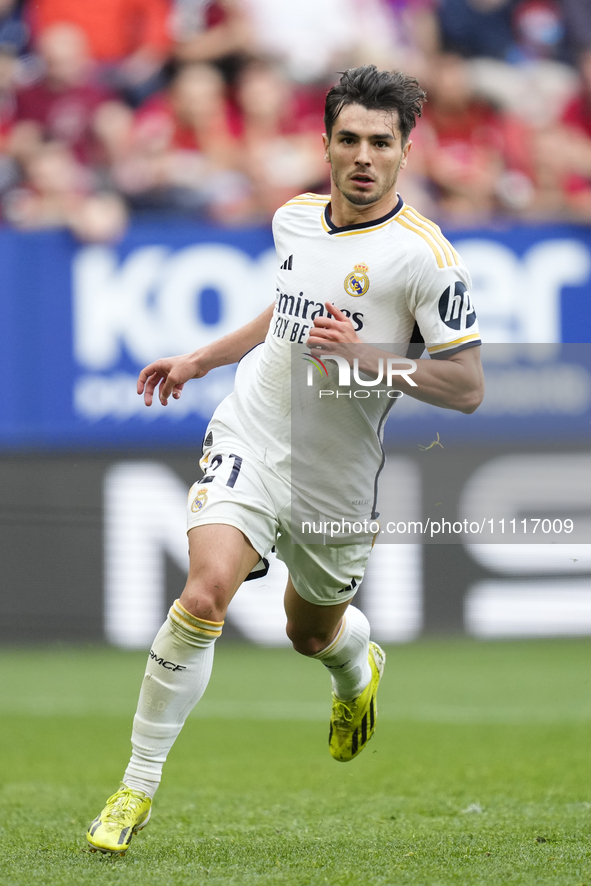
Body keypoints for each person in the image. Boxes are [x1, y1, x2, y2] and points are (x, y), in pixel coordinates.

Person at [86, 64, 484, 856]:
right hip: (254, 431)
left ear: (407, 150)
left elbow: (466, 386)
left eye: (381, 142)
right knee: (203, 594)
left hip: (334, 474)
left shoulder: (425, 258)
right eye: (348, 140)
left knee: (310, 632)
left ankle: (354, 671)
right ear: (326, 143)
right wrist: (202, 358)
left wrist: (366, 356)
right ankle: (135, 787)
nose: (363, 156)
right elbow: (286, 307)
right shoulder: (295, 219)